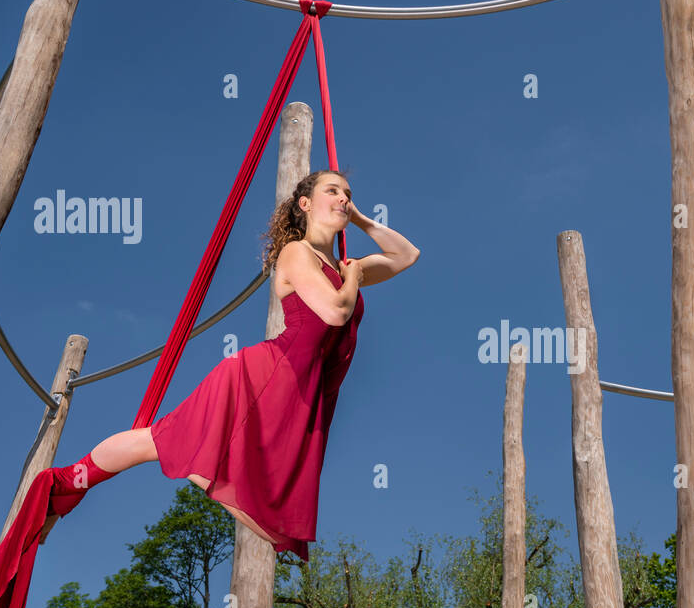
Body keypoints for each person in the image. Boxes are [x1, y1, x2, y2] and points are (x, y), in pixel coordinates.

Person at [38, 169, 420, 557]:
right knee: (158, 441)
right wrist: (353, 275)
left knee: (260, 516)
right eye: (333, 191)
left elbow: (407, 255)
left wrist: (358, 218)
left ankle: (67, 488)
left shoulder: (343, 268)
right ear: (305, 204)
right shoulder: (297, 253)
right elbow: (337, 312)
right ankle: (64, 485)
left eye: (348, 193)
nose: (343, 198)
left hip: (306, 396)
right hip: (265, 378)